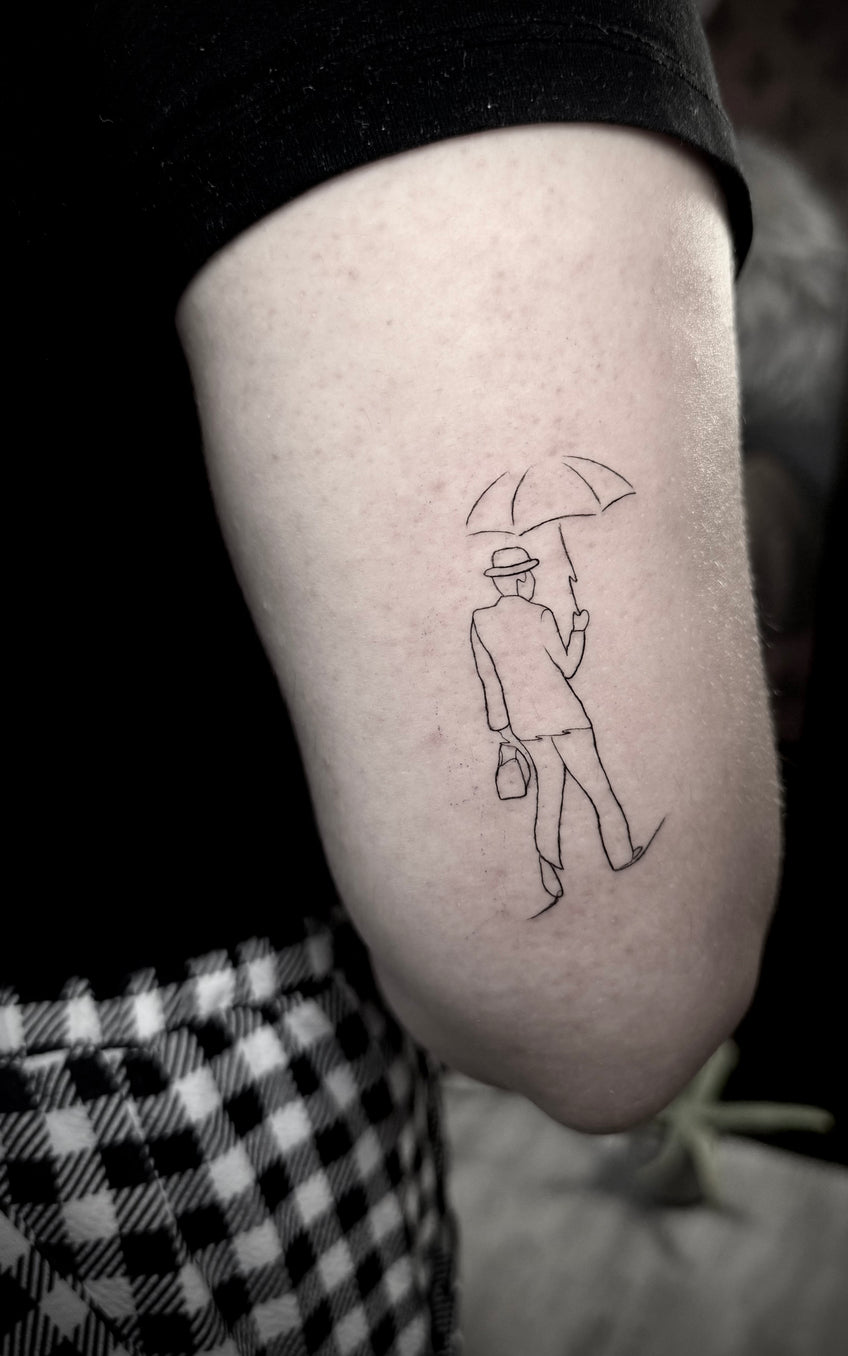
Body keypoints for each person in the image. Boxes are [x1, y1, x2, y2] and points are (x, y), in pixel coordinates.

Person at [4, 4, 779, 1352]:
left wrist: (568, 635)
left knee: (594, 800)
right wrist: (516, 743)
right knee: (573, 843)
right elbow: (616, 993)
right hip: (139, 1155)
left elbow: (554, 663)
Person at [471, 545, 645, 909]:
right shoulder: (540, 614)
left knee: (548, 800)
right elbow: (567, 666)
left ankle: (550, 879)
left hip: (526, 725)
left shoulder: (480, 621)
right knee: (599, 790)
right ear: (521, 578)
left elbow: (489, 680)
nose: (532, 580)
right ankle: (620, 855)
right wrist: (578, 630)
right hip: (566, 718)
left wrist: (503, 730)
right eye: (529, 574)